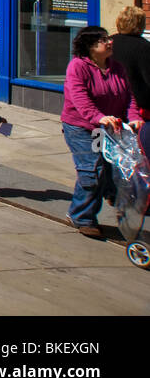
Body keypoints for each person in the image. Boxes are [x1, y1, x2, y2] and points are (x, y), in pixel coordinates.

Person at [61, 25, 144, 237]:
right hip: (81, 127)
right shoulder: (77, 67)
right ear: (90, 46)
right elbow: (80, 99)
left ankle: (110, 195)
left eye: (108, 38)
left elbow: (129, 97)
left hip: (111, 128)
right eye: (103, 40)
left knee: (113, 169)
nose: (110, 42)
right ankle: (81, 216)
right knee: (92, 170)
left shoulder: (117, 67)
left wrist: (134, 117)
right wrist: (99, 117)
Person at [110, 5, 150, 122]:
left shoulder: (108, 42)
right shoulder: (144, 47)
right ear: (141, 24)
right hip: (139, 107)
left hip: (112, 102)